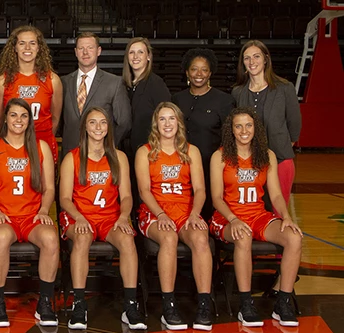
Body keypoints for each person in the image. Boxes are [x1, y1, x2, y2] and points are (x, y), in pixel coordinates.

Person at [209, 107, 302, 327]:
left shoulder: (266, 155)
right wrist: (233, 219)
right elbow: (216, 198)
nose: (244, 130)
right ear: (231, 130)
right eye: (238, 126)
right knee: (243, 236)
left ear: (255, 128)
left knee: (294, 238)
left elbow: (277, 194)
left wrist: (286, 217)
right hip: (227, 218)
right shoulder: (220, 156)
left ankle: (283, 302)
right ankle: (245, 303)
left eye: (248, 125)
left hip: (257, 215)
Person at [59, 106, 145, 331]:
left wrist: (124, 217)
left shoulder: (119, 157)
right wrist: (79, 217)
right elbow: (65, 199)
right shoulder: (72, 158)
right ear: (85, 127)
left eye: (103, 123)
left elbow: (126, 196)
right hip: (80, 216)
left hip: (110, 217)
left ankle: (130, 305)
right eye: (93, 123)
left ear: (109, 128)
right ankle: (79, 305)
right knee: (83, 238)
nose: (98, 127)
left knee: (127, 240)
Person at [0, 98, 60, 328]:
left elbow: (49, 187)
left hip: (31, 216)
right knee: (2, 236)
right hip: (1, 215)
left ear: (29, 121)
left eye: (23, 116)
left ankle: (44, 302)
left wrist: (44, 210)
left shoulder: (40, 147)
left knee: (51, 238)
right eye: (13, 115)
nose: (18, 120)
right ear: (5, 118)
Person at [134, 102, 213, 331]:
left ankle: (204, 304)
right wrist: (160, 214)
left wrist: (195, 214)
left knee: (200, 238)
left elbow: (199, 190)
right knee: (168, 238)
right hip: (155, 212)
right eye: (162, 119)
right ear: (155, 124)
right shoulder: (145, 151)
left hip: (186, 211)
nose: (167, 124)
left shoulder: (191, 151)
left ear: (178, 122)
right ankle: (169, 306)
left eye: (171, 119)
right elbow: (144, 191)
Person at [231, 40, 301, 205]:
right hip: (248, 164)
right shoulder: (238, 92)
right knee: (253, 211)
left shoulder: (284, 88)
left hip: (280, 160)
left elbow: (294, 124)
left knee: (278, 212)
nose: (252, 62)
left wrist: (280, 147)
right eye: (247, 58)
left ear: (266, 59)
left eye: (256, 56)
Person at [171, 48, 234, 221]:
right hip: (181, 169)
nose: (199, 74)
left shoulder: (223, 100)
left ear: (210, 73)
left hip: (210, 168)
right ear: (187, 72)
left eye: (204, 69)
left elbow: (229, 137)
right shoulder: (177, 99)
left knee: (207, 215)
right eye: (194, 69)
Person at [0, 25, 62, 162]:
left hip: (43, 143)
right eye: (22, 43)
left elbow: (55, 118)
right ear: (15, 48)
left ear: (39, 48)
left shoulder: (53, 80)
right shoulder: (2, 82)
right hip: (13, 144)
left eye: (32, 43)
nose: (27, 48)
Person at [60, 32, 131, 157]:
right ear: (76, 52)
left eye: (90, 48)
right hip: (70, 154)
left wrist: (108, 144)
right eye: (81, 48)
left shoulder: (114, 83)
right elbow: (60, 121)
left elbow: (124, 122)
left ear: (98, 51)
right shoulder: (63, 82)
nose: (85, 52)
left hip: (102, 155)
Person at [123, 37, 172, 151]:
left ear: (148, 56)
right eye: (132, 52)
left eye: (141, 52)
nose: (136, 57)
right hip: (127, 150)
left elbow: (166, 118)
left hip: (150, 150)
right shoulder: (123, 85)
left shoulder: (156, 84)